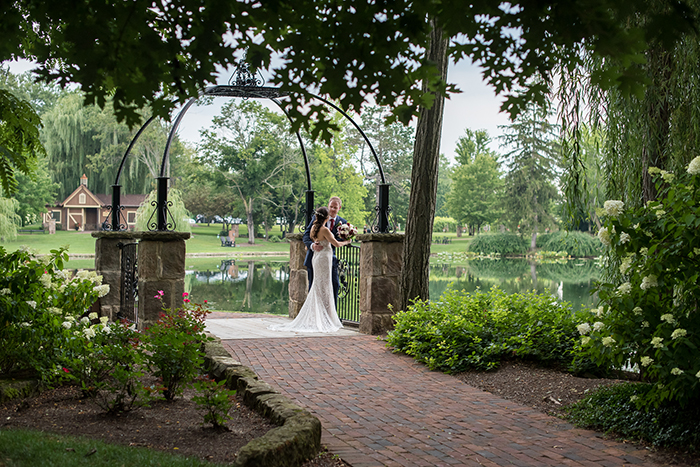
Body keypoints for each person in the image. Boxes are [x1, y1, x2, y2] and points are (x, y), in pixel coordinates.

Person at [269, 206, 350, 332]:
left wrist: (313, 245)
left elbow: (314, 240)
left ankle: (320, 317)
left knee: (319, 286)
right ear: (327, 217)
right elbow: (336, 244)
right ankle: (322, 319)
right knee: (324, 286)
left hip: (317, 259)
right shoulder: (325, 230)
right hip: (323, 259)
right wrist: (347, 241)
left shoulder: (314, 228)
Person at [302, 196, 346, 306]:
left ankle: (331, 315)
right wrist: (312, 245)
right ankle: (315, 315)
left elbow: (339, 239)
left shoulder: (342, 222)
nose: (332, 209)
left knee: (334, 286)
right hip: (315, 257)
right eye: (331, 207)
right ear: (328, 206)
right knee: (314, 287)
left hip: (330, 259)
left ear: (339, 208)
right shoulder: (316, 220)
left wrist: (347, 238)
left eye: (335, 207)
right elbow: (306, 236)